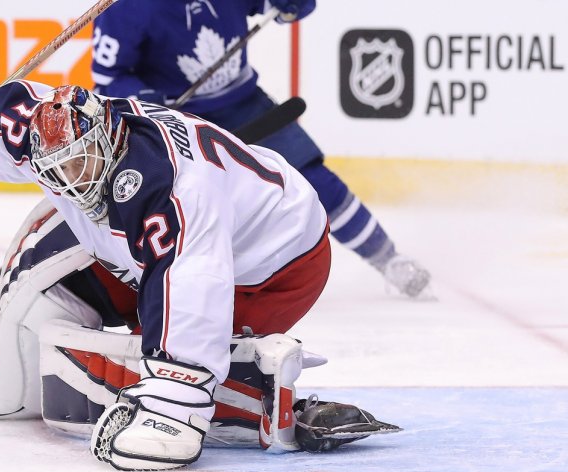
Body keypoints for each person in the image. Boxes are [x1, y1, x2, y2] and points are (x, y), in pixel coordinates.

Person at [0, 81, 400, 470]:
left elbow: (191, 286)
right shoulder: (56, 132)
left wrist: (174, 409)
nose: (68, 176)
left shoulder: (173, 193)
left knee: (154, 364)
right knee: (19, 365)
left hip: (273, 266)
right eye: (54, 168)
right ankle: (46, 354)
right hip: (142, 242)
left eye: (78, 162)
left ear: (110, 139)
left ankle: (256, 392)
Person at [90, 0, 432, 298]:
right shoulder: (126, 7)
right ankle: (158, 282)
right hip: (177, 118)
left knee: (314, 179)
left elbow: (280, 5)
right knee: (175, 205)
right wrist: (140, 96)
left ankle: (388, 258)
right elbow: (108, 76)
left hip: (244, 104)